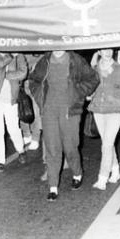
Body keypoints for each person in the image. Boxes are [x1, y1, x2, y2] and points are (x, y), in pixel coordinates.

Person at [28, 50, 99, 201]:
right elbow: (33, 80)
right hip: (49, 110)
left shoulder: (76, 59)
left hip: (70, 111)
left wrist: (78, 93)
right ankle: (53, 186)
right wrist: (41, 99)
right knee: (52, 148)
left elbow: (93, 78)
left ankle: (77, 173)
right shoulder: (45, 60)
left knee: (70, 147)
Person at [88, 49, 120, 190]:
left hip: (115, 111)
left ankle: (102, 177)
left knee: (107, 145)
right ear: (99, 51)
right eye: (104, 50)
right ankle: (115, 169)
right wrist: (88, 94)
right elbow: (88, 88)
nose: (107, 52)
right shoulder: (94, 70)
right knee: (108, 143)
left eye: (110, 49)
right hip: (98, 110)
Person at [0, 52, 28, 171]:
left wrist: (4, 75)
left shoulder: (19, 56)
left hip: (11, 98)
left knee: (13, 128)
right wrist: (10, 56)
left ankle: (20, 150)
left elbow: (23, 73)